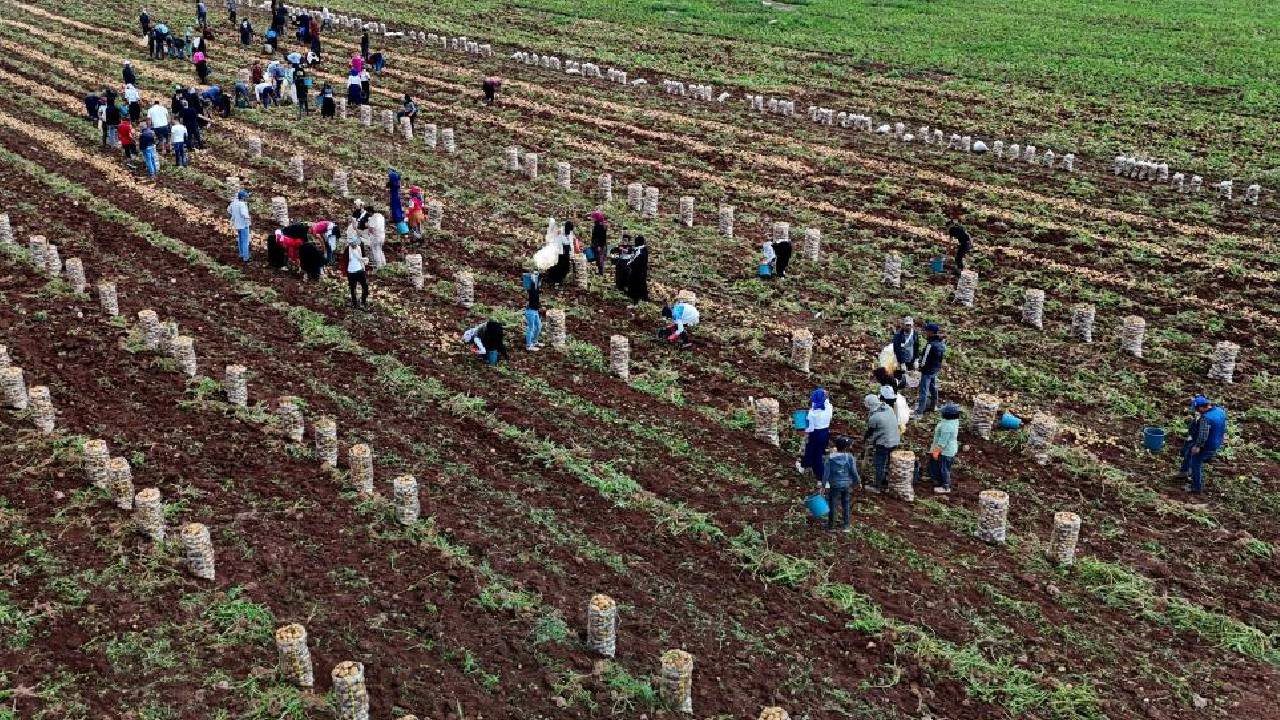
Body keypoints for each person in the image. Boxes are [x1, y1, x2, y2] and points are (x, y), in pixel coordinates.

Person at [1179, 395, 1227, 493]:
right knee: (1189, 450)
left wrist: (1197, 446)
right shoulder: (1220, 411)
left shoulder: (1205, 418)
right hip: (1217, 441)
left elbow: (1203, 435)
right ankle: (1184, 472)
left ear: (1201, 407)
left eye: (1197, 409)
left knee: (1195, 462)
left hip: (1207, 444)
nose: (1196, 411)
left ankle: (1196, 487)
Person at [863, 393, 900, 493]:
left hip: (884, 443)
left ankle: (877, 486)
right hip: (895, 440)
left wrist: (865, 440)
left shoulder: (875, 418)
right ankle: (886, 482)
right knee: (889, 462)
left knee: (879, 463)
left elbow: (870, 432)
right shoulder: (888, 408)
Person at [822, 436, 859, 532]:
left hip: (834, 484)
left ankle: (831, 526)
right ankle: (846, 526)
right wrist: (857, 482)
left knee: (833, 504)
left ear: (836, 446)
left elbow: (826, 473)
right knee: (846, 503)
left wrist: (824, 485)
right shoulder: (849, 457)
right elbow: (854, 472)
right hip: (846, 484)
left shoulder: (830, 458)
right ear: (846, 447)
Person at [797, 388, 833, 483]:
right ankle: (805, 466)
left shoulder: (812, 414)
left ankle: (820, 478)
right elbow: (825, 400)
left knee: (814, 454)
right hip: (825, 433)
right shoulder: (829, 408)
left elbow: (810, 429)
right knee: (816, 452)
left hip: (815, 434)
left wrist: (802, 428)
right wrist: (824, 394)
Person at [915, 323, 946, 416]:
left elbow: (924, 359)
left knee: (923, 390)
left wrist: (920, 367)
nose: (925, 333)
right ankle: (934, 406)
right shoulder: (941, 343)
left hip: (927, 371)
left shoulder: (930, 344)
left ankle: (920, 411)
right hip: (935, 369)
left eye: (927, 331)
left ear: (931, 332)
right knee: (933, 388)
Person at [929, 403, 961, 493]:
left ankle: (945, 487)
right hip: (949, 448)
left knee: (944, 469)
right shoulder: (953, 421)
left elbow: (943, 442)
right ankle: (936, 478)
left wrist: (936, 451)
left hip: (946, 451)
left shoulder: (947, 426)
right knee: (939, 465)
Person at [228, 189, 251, 262]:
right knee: (245, 241)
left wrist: (234, 216)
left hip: (237, 224)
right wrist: (248, 220)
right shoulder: (242, 204)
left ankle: (241, 254)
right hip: (243, 224)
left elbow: (229, 210)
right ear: (243, 197)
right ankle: (246, 257)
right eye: (246, 197)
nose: (246, 198)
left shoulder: (234, 203)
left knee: (240, 240)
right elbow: (244, 214)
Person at [625, 235, 649, 303]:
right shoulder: (638, 250)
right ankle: (633, 296)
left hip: (640, 271)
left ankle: (639, 298)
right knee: (634, 283)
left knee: (640, 284)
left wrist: (631, 264)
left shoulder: (642, 250)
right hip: (636, 271)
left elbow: (639, 261)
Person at [523, 272, 543, 352]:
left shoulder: (536, 289)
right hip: (530, 311)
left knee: (538, 326)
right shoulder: (531, 289)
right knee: (531, 328)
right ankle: (528, 345)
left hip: (535, 310)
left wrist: (539, 277)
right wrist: (533, 278)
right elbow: (533, 282)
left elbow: (538, 282)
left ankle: (534, 341)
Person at [588, 210, 607, 275]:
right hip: (598, 244)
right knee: (598, 258)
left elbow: (601, 237)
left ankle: (600, 272)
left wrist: (599, 245)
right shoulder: (599, 225)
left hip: (599, 245)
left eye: (594, 217)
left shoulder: (599, 226)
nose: (592, 219)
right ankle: (599, 271)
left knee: (599, 258)